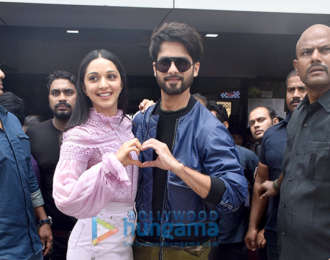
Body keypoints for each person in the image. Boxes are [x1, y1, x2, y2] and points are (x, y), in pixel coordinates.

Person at [132, 22, 248, 260]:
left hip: (189, 249)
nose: (173, 69)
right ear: (155, 68)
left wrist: (178, 168)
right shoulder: (141, 122)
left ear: (194, 68)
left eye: (181, 63)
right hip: (141, 244)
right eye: (165, 63)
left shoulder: (209, 128)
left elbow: (234, 196)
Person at [52, 49, 141, 260]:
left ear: (121, 82)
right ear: (83, 87)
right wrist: (112, 163)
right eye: (94, 78)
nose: (103, 85)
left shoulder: (128, 125)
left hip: (126, 232)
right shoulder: (78, 135)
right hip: (94, 235)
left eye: (111, 76)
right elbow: (64, 197)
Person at [259, 24, 330, 260]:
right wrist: (275, 186)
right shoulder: (298, 116)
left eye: (325, 49)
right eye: (307, 52)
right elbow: (293, 167)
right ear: (297, 66)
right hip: (288, 247)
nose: (316, 57)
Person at [0, 40, 52, 260]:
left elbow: (29, 177)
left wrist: (42, 220)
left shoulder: (11, 120)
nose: (1, 74)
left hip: (31, 244)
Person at [244, 70, 307, 260]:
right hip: (276, 231)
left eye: (301, 89)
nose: (295, 94)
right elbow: (260, 183)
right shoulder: (272, 136)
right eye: (291, 90)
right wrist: (253, 227)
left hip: (315, 233)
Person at [26, 70, 78, 260]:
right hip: (51, 233)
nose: (62, 98)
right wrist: (42, 221)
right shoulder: (34, 134)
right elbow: (31, 183)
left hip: (90, 231)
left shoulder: (91, 132)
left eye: (68, 92)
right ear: (48, 97)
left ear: (78, 96)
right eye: (55, 93)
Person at [207, 102, 258, 260]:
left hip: (234, 238)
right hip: (199, 236)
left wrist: (255, 227)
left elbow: (260, 192)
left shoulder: (246, 156)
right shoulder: (191, 156)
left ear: (225, 125)